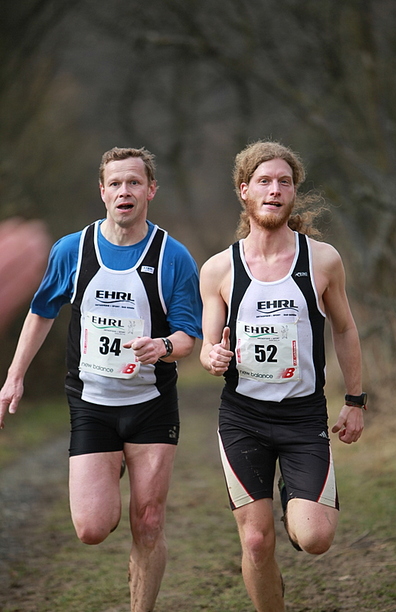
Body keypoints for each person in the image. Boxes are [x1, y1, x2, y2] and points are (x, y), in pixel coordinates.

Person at [0, 147, 202, 612]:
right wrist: (14, 377)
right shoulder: (72, 250)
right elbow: (41, 312)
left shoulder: (173, 256)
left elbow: (187, 336)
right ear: (102, 191)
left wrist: (163, 346)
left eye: (134, 182)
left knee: (148, 522)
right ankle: (110, 473)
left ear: (150, 190)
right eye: (115, 183)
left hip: (151, 403)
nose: (124, 191)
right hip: (92, 404)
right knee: (91, 528)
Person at [199, 140, 365, 611]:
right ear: (244, 190)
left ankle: (295, 497)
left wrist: (355, 401)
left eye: (284, 182)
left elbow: (345, 329)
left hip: (303, 419)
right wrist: (213, 357)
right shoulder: (218, 269)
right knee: (255, 542)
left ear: (294, 193)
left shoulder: (322, 259)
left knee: (315, 538)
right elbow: (209, 346)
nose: (274, 190)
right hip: (242, 419)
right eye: (264, 181)